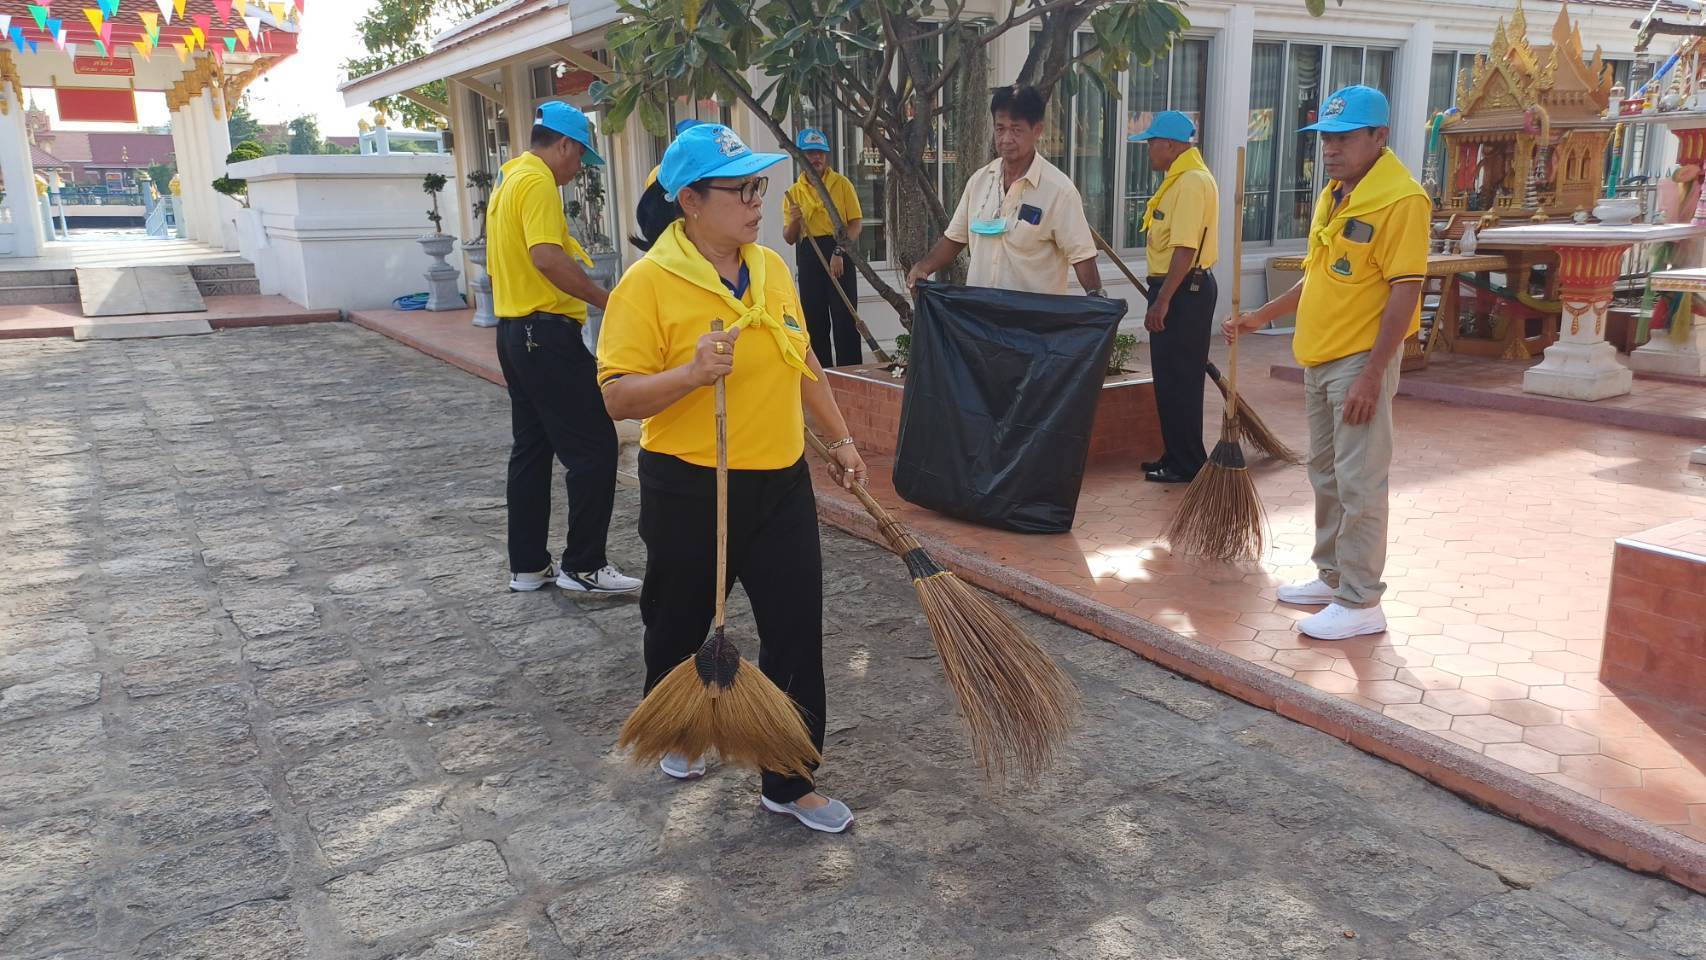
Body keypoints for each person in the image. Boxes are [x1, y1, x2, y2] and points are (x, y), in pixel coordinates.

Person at [598, 123, 868, 834]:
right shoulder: (648, 285)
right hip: (691, 485)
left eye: (758, 187)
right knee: (680, 621)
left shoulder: (771, 268)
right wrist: (691, 374)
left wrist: (838, 439)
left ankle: (789, 779)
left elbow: (801, 357)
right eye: (740, 190)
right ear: (689, 200)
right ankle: (680, 727)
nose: (756, 202)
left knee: (796, 631)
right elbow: (617, 396)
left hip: (780, 481)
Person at [1222, 86, 1428, 641]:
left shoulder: (1400, 201)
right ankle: (1333, 576)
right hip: (1319, 355)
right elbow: (1319, 273)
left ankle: (1362, 601)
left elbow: (1406, 291)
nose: (1330, 150)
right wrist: (1261, 317)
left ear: (1379, 137)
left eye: (1342, 138)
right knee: (1327, 474)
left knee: (1361, 481)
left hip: (1360, 360)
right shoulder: (1336, 194)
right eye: (1325, 139)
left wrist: (1371, 373)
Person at [486, 101, 642, 596]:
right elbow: (546, 257)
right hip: (544, 333)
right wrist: (605, 300)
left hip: (515, 332)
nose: (578, 172)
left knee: (531, 450)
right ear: (565, 144)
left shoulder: (508, 179)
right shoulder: (536, 182)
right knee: (596, 444)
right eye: (581, 159)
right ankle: (585, 565)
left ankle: (529, 566)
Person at [906, 84, 1103, 297]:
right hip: (981, 320)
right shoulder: (979, 182)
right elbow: (954, 239)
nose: (1006, 139)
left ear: (1037, 130)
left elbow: (1082, 257)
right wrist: (923, 267)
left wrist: (1097, 300)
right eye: (1000, 128)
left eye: (1016, 130)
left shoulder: (1059, 192)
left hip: (1033, 326)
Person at [1131, 111, 1218, 485]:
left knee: (1180, 379)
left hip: (1184, 291)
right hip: (1176, 289)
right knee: (1169, 378)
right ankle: (1175, 453)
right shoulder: (1179, 179)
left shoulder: (1191, 183)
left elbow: (1184, 248)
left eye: (1151, 143)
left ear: (1170, 144)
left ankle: (1187, 463)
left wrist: (1163, 300)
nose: (1148, 150)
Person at [783, 128, 865, 367]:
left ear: (827, 156)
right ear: (800, 157)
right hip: (810, 253)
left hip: (839, 249)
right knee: (815, 320)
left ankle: (850, 376)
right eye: (810, 153)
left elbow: (856, 223)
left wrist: (839, 251)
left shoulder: (842, 185)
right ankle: (822, 378)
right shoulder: (793, 192)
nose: (816, 158)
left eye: (820, 153)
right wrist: (796, 219)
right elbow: (789, 238)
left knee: (845, 320)